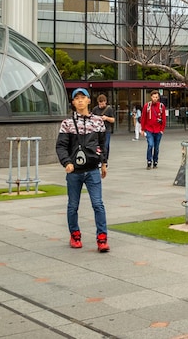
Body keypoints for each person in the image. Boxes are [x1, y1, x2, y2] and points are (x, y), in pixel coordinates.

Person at [55, 87, 110, 253]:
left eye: (83, 97)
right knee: (73, 205)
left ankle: (102, 238)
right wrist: (66, 163)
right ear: (73, 102)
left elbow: (102, 145)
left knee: (98, 204)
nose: (80, 100)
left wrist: (104, 163)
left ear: (88, 101)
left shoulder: (98, 122)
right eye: (76, 98)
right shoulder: (67, 123)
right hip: (74, 172)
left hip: (93, 169)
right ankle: (75, 234)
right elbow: (61, 146)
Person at [139, 90, 167, 169]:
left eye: (156, 97)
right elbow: (143, 118)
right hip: (149, 129)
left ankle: (155, 161)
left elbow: (164, 119)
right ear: (151, 97)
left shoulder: (161, 106)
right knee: (150, 144)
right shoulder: (146, 106)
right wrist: (142, 129)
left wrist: (162, 130)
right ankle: (149, 161)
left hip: (158, 130)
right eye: (154, 97)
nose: (155, 98)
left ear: (158, 98)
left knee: (157, 147)